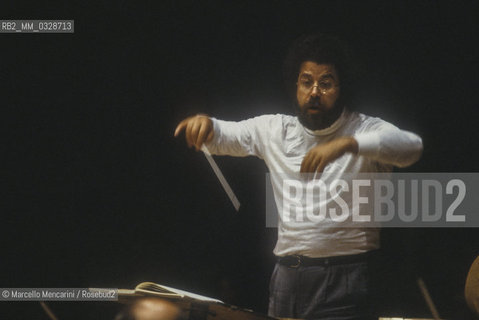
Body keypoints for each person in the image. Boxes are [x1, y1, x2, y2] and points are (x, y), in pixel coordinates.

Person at [174, 33, 423, 320]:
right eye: (306, 82)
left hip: (346, 275)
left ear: (342, 88)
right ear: (296, 86)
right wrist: (206, 124)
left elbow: (411, 147)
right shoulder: (277, 130)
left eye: (326, 83)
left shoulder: (364, 129)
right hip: (287, 277)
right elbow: (225, 134)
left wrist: (347, 144)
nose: (314, 91)